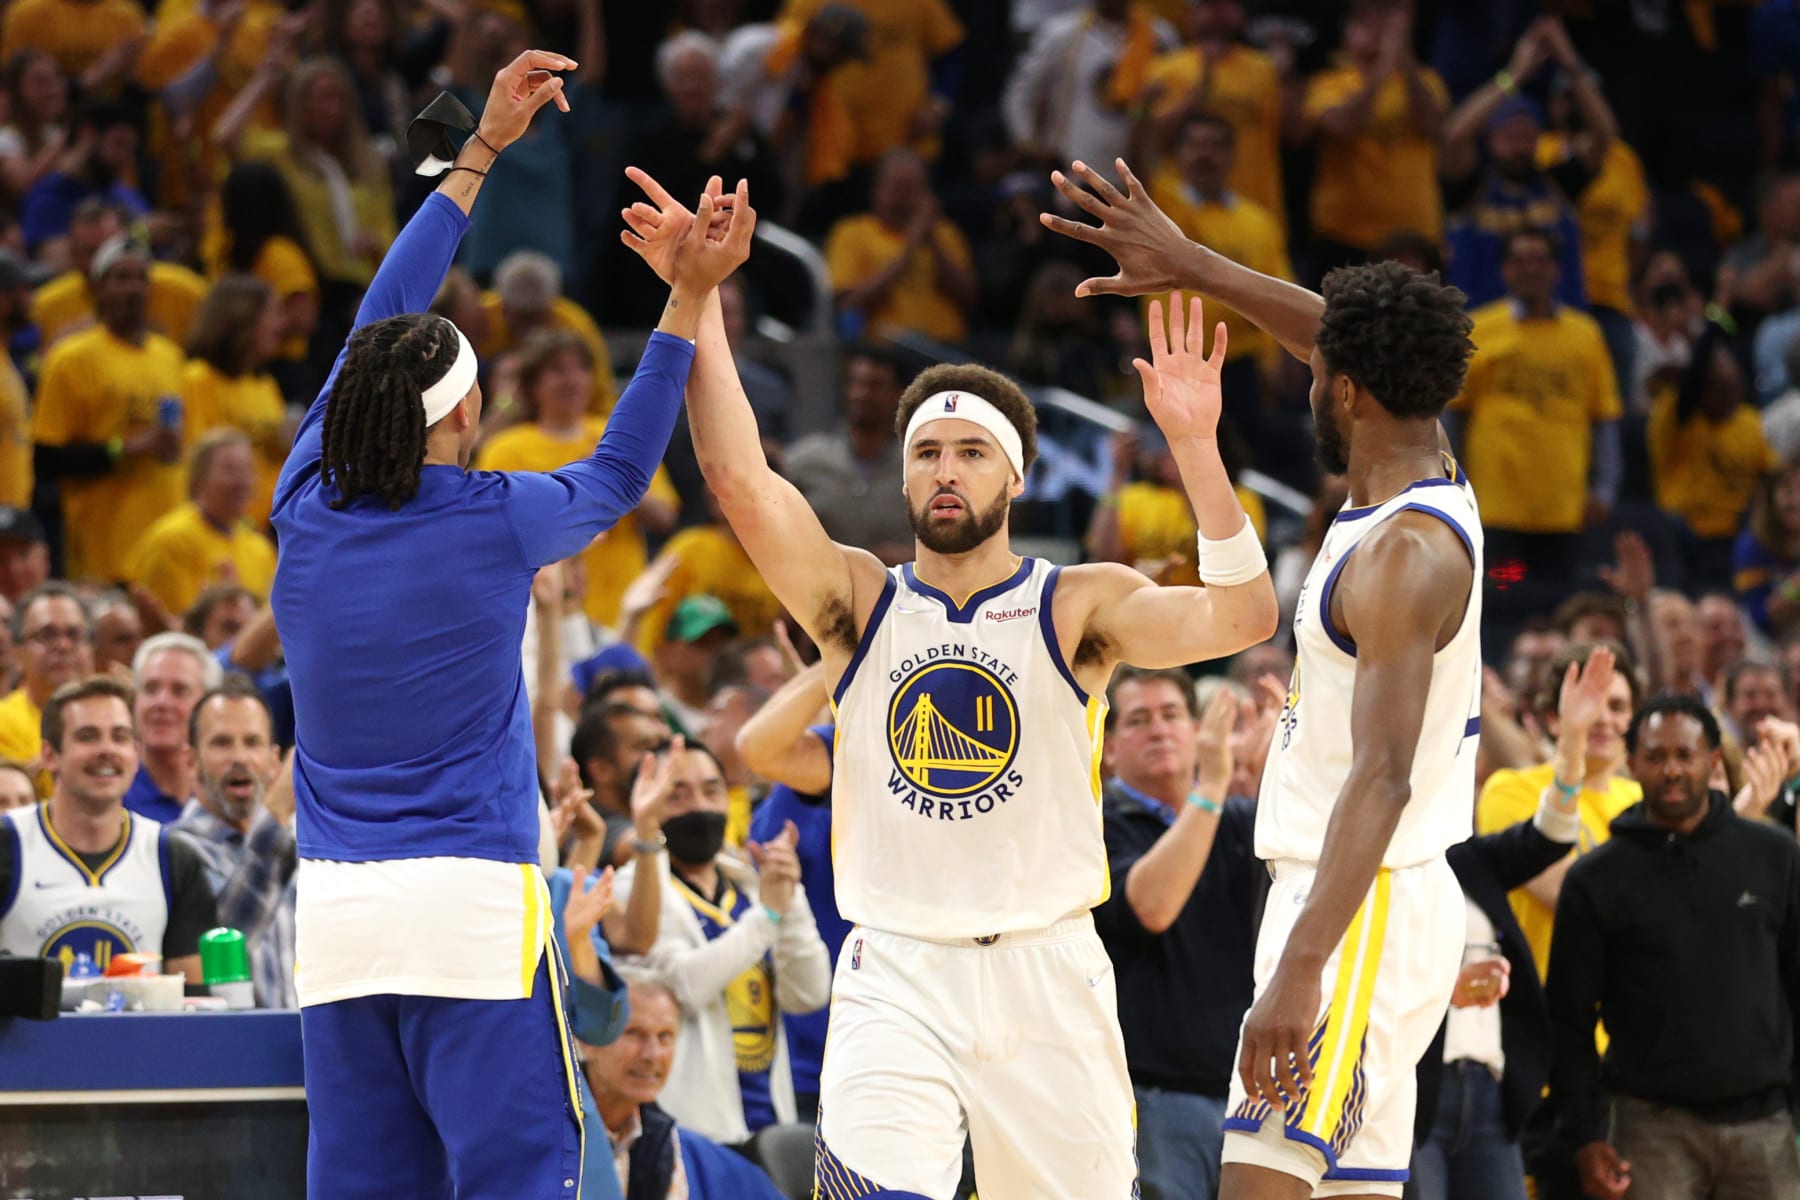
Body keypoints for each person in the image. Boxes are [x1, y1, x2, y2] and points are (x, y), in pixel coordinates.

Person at [623, 167, 1277, 1198]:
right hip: (898, 970)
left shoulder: (1077, 604)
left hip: (1048, 970)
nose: (945, 468)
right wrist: (696, 293)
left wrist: (1195, 447)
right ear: (902, 475)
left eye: (972, 451)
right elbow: (740, 482)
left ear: (1015, 476)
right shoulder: (857, 601)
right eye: (926, 451)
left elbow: (1244, 618)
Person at [267, 54, 752, 1198]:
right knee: (521, 1178)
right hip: (470, 906)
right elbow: (621, 470)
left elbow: (375, 322)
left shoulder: (304, 497)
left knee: (364, 1185)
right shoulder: (496, 517)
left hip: (334, 912)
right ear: (469, 412)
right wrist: (686, 297)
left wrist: (475, 155)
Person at [1042, 157, 1481, 1198]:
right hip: (1373, 903)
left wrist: (1299, 970)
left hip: (1355, 910)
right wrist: (1191, 265)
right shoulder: (1424, 471)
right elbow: (1335, 333)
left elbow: (1383, 776)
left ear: (1350, 393)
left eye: (1322, 372)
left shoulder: (1402, 556)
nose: (1307, 374)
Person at [1547, 693, 1800, 1200]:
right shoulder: (1596, 878)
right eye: (1656, 756)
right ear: (1632, 762)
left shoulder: (1774, 856)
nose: (1671, 770)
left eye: (1685, 755)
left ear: (1712, 760)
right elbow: (1567, 1018)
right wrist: (1583, 1136)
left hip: (1766, 1127)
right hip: (1648, 1126)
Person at [613, 739, 831, 1147]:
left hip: (770, 1122)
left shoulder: (748, 883)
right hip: (692, 1132)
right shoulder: (636, 891)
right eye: (677, 795)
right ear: (645, 803)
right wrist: (768, 916)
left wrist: (790, 898)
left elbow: (809, 994)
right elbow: (687, 985)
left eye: (711, 791)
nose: (699, 806)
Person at [1094, 667, 1260, 1200]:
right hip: (1152, 1098)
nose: (1160, 730)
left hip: (1250, 1096)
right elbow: (1151, 907)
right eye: (1139, 720)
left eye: (1172, 715)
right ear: (1109, 748)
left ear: (1196, 730)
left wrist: (1283, 774)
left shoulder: (1240, 819)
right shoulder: (1094, 825)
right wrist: (1210, 788)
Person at [1409, 777, 1582, 1200]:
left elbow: (1549, 836)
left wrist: (1571, 756)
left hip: (1489, 1091)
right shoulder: (1376, 863)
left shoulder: (1470, 857)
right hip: (1415, 1092)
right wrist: (1444, 989)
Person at [0, 676, 217, 979]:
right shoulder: (8, 844)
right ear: (50, 755)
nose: (107, 749)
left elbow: (193, 995)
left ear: (136, 754)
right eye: (88, 736)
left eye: (120, 737)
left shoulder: (172, 857)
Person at [1473, 644, 1641, 984]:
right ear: (1553, 717)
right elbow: (1566, 894)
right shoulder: (1510, 790)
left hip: (1628, 1008)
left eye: (1617, 706)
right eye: (1590, 701)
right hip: (1546, 1003)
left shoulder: (1642, 799)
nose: (1603, 718)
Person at [30, 234, 188, 583]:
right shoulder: (71, 359)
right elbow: (46, 456)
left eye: (141, 278)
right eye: (121, 277)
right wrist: (122, 449)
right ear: (98, 289)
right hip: (104, 550)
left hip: (165, 548)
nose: (133, 288)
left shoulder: (170, 356)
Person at [579, 967, 787, 1200]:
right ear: (588, 1041)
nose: (652, 1054)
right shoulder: (554, 1135)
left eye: (665, 1036)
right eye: (633, 1033)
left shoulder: (682, 1151)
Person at [170, 678, 295, 1006]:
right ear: (190, 761)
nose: (239, 757)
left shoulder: (299, 846)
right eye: (221, 743)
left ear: (274, 761)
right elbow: (221, 946)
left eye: (252, 743)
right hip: (229, 1036)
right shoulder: (173, 852)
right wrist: (277, 811)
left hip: (300, 1034)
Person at [126, 429, 279, 616]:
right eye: (230, 470)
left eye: (247, 470)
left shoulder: (261, 549)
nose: (243, 481)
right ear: (198, 477)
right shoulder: (172, 539)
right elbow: (168, 625)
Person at [0, 582, 94, 789]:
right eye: (47, 635)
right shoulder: (2, 724)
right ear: (17, 652)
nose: (63, 645)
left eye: (74, 634)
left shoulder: (121, 718)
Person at [123, 630, 219, 823]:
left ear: (209, 705)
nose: (162, 702)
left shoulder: (225, 797)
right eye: (151, 688)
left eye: (179, 690)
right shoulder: (112, 796)